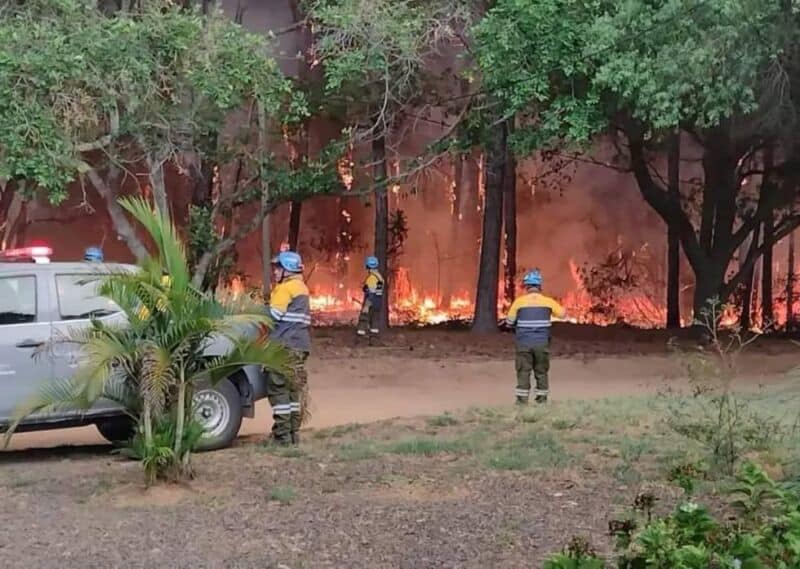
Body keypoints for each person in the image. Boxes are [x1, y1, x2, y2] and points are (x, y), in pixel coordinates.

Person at [266, 251, 311, 445]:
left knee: (278, 390)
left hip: (283, 346)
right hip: (300, 346)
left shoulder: (284, 289)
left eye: (278, 268)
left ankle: (281, 438)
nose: (275, 272)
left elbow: (272, 316)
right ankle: (293, 435)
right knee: (293, 392)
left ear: (288, 270)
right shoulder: (302, 288)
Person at [504, 270, 566, 404]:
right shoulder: (548, 302)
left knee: (523, 371)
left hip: (523, 343)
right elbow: (562, 314)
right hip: (541, 343)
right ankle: (542, 400)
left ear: (526, 287)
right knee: (541, 371)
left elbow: (509, 322)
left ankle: (521, 401)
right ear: (539, 286)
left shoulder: (519, 302)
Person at [357, 255, 384, 336]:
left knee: (364, 317)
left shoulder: (371, 278)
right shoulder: (380, 277)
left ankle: (361, 336)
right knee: (375, 319)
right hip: (378, 302)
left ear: (368, 266)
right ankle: (374, 336)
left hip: (371, 300)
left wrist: (366, 305)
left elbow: (371, 293)